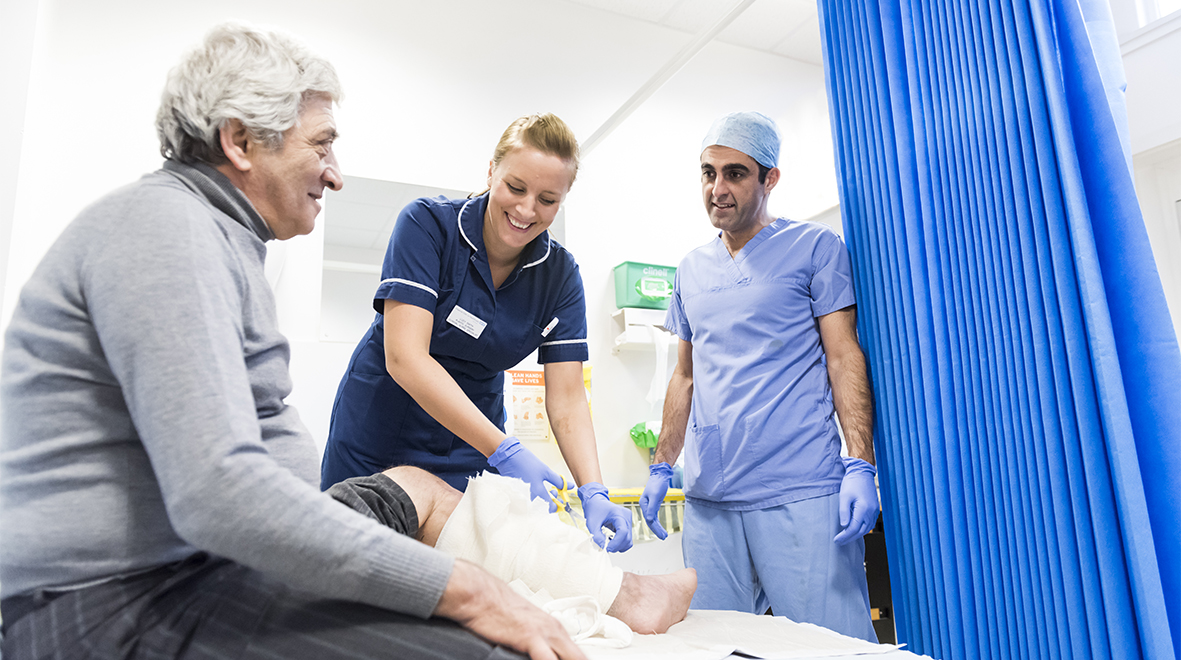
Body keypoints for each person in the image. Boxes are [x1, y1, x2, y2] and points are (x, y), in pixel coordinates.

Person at [0, 24, 690, 660]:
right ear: (241, 142)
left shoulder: (219, 243)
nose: (334, 171)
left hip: (195, 567)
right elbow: (225, 493)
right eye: (321, 145)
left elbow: (259, 469)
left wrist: (588, 489)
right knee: (485, 639)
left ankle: (622, 591)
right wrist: (468, 588)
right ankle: (595, 594)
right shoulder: (167, 231)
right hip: (104, 600)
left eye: (549, 201)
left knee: (422, 495)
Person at [320, 113, 632, 552]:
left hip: (471, 446)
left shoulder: (559, 275)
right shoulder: (429, 226)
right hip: (380, 435)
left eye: (547, 199)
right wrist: (505, 450)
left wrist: (594, 490)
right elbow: (405, 357)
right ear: (491, 171)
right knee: (359, 568)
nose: (526, 210)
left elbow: (566, 397)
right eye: (515, 187)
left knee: (463, 575)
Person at [637, 111, 880, 641]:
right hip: (711, 498)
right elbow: (684, 378)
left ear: (770, 179)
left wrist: (861, 462)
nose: (717, 188)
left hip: (799, 489)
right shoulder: (690, 269)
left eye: (735, 173)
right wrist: (662, 466)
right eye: (708, 173)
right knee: (717, 645)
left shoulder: (815, 248)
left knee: (831, 648)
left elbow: (843, 358)